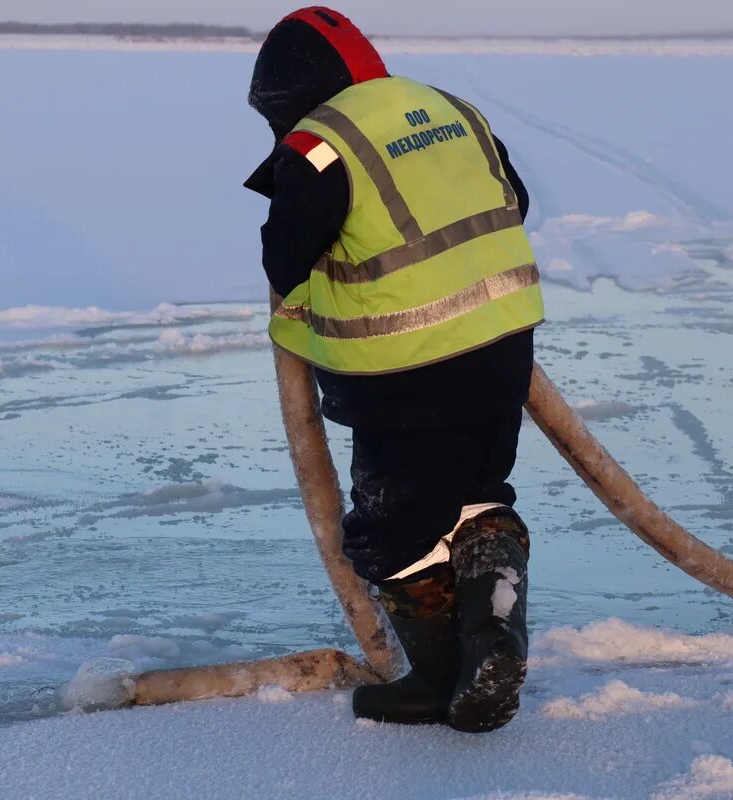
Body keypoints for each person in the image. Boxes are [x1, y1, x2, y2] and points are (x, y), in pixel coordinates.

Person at [245, 7, 544, 733]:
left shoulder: (320, 144)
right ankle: (493, 630)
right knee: (477, 493)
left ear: (290, 96)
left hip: (404, 369)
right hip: (505, 344)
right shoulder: (449, 108)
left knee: (393, 527)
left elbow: (286, 259)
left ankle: (443, 678)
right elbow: (518, 202)